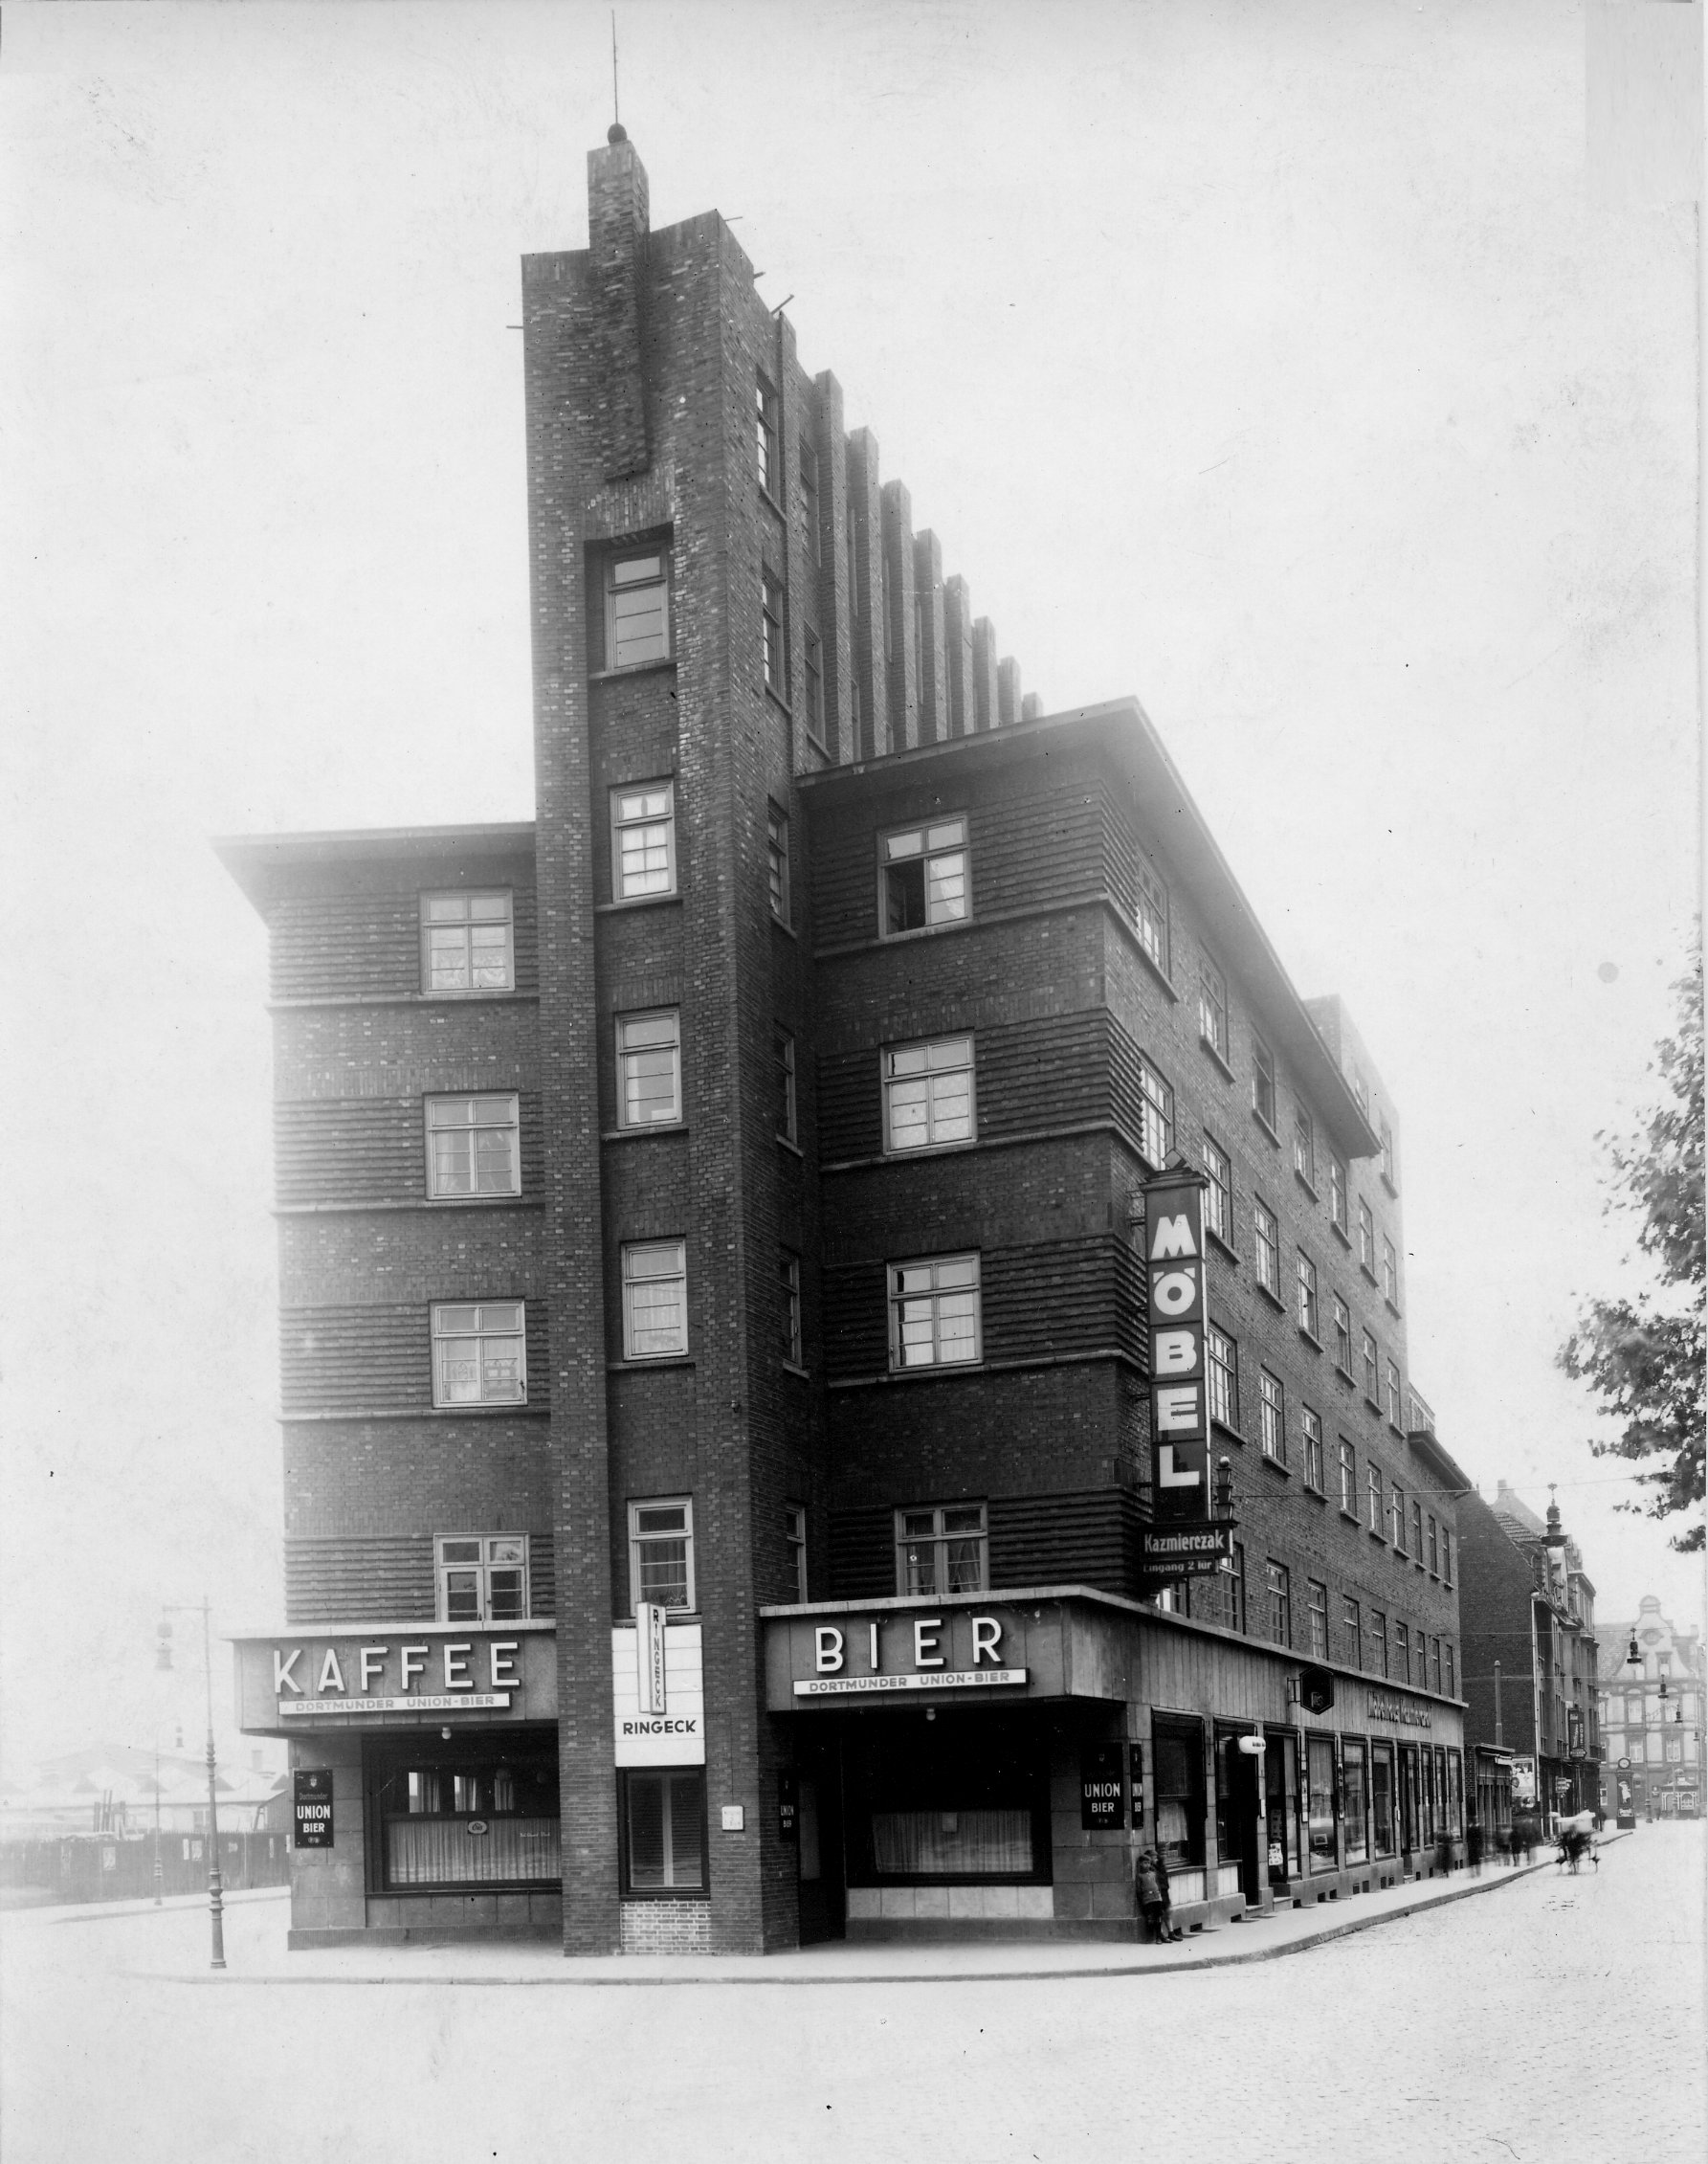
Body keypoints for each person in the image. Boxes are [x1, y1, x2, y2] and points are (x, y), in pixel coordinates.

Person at [1135, 1846, 1181, 1944]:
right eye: (1154, 1858)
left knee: (1166, 1912)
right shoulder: (1152, 1869)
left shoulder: (1160, 1865)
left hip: (1162, 1892)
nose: (1162, 1857)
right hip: (1155, 1895)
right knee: (1159, 1914)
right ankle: (1161, 1935)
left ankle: (1170, 1933)